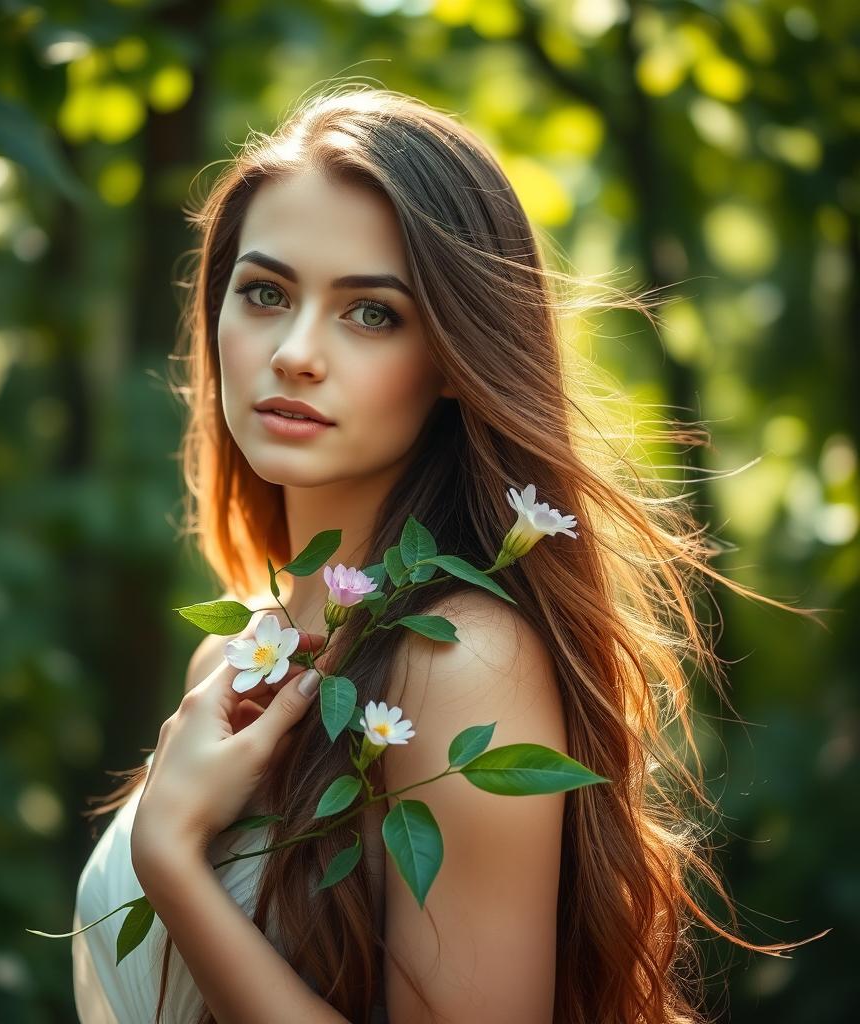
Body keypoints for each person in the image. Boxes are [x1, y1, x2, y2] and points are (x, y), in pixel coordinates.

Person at [71, 85, 825, 1024]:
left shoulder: (459, 662)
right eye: (265, 293)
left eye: (372, 313)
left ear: (457, 362)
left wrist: (174, 867)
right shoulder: (233, 660)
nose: (296, 352)